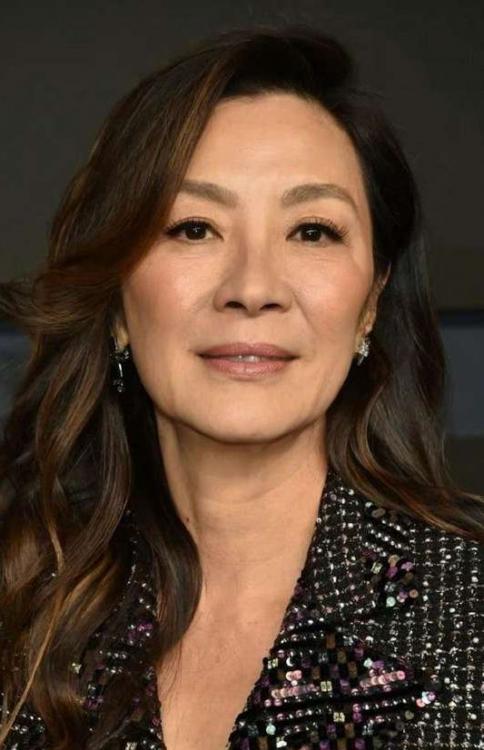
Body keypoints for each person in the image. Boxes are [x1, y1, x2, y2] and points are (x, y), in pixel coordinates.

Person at [0, 23, 482, 750]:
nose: (252, 288)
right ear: (119, 299)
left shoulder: (468, 613)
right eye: (193, 228)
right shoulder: (25, 605)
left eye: (312, 231)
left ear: (372, 302)